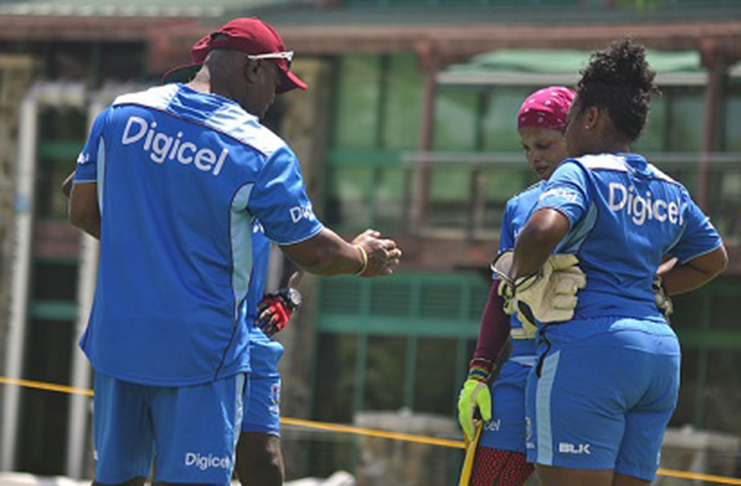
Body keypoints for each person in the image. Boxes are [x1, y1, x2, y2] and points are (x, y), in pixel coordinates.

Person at [68, 17, 401, 485]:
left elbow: (81, 210)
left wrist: (155, 247)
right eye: (275, 84)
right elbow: (313, 252)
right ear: (253, 70)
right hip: (202, 352)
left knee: (120, 479)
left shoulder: (120, 114)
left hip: (119, 341)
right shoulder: (261, 150)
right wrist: (363, 257)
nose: (273, 100)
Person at [503, 38, 727, 485]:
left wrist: (521, 277)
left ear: (591, 117)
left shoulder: (580, 171)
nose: (566, 134)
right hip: (658, 357)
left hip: (589, 351)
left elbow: (543, 229)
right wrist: (657, 285)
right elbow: (712, 260)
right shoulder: (668, 187)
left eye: (568, 123)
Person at [457, 86, 575, 485]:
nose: (534, 157)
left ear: (573, 135)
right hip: (522, 368)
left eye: (544, 144)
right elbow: (499, 293)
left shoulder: (606, 195)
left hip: (581, 366)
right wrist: (478, 371)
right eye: (526, 148)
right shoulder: (520, 206)